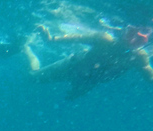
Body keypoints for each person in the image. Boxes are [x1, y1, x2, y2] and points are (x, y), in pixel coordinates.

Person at [23, 23, 153, 99]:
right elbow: (77, 38)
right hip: (70, 67)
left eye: (142, 37)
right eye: (132, 33)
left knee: (70, 98)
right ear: (124, 31)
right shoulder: (104, 39)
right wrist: (51, 39)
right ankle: (26, 49)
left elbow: (150, 76)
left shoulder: (140, 57)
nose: (134, 40)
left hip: (90, 81)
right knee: (33, 76)